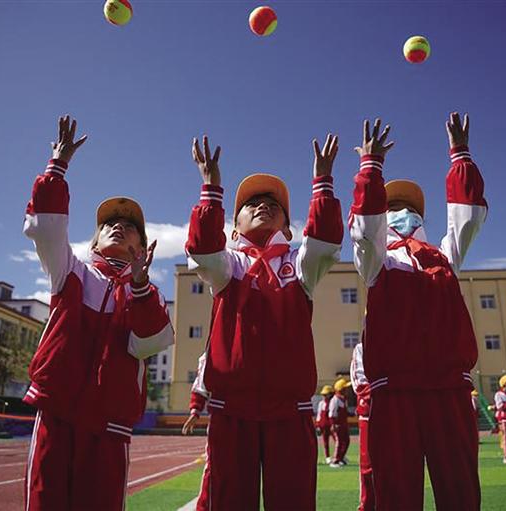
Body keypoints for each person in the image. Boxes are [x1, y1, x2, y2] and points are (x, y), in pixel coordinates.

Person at [22, 115, 174, 510]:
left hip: (109, 426)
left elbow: (151, 342)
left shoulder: (148, 294)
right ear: (95, 238)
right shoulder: (70, 271)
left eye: (130, 226)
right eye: (110, 223)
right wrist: (57, 166)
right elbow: (45, 228)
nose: (119, 227)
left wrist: (139, 285)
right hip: (56, 412)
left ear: (143, 247)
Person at [185, 133, 343, 509]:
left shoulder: (299, 265)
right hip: (230, 409)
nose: (263, 206)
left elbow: (325, 242)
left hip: (290, 410)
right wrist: (210, 189)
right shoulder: (228, 264)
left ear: (288, 229)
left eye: (274, 205)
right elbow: (203, 250)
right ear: (233, 229)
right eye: (252, 203)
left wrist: (322, 182)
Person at [348, 113, 487, 510]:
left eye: (409, 208)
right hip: (393, 393)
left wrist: (460, 156)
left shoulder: (443, 256)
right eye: (392, 206)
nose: (403, 213)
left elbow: (467, 220)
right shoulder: (376, 261)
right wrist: (371, 168)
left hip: (449, 391)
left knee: (461, 493)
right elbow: (364, 231)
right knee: (396, 495)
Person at [181, 353, 211, 511]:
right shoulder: (217, 342)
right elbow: (203, 374)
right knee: (217, 471)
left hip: (278, 414)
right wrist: (196, 408)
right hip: (229, 415)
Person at [350, 342, 374, 511]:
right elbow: (360, 385)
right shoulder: (362, 347)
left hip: (397, 410)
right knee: (368, 468)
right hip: (370, 414)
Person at [329, 377, 352, 468]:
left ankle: (341, 458)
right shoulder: (335, 400)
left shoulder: (343, 399)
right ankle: (335, 461)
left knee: (346, 441)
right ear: (340, 390)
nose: (347, 390)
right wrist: (333, 425)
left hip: (344, 425)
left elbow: (345, 412)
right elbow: (332, 414)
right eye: (345, 388)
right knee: (339, 442)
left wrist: (352, 414)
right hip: (338, 425)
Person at [316, 385, 335, 464]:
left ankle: (339, 456)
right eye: (323, 395)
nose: (324, 396)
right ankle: (327, 457)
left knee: (336, 440)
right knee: (325, 441)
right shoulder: (321, 403)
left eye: (326, 394)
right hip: (323, 425)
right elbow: (319, 414)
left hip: (331, 425)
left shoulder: (333, 402)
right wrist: (318, 425)